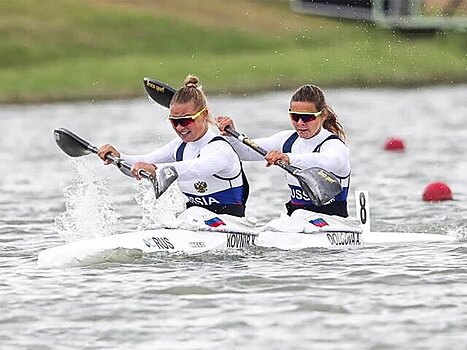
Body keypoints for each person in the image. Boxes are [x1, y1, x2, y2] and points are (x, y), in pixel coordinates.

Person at [98, 74, 249, 217]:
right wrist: (118, 158)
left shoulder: (221, 150)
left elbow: (197, 168)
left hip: (232, 227)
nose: (179, 128)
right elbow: (142, 161)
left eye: (185, 121)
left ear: (204, 115)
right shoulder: (178, 147)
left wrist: (156, 169)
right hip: (193, 226)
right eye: (174, 121)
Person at [216, 84, 350, 217]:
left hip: (333, 223)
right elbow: (244, 153)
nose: (300, 123)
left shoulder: (334, 146)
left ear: (323, 115)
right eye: (295, 116)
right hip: (298, 221)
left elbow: (331, 162)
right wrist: (231, 135)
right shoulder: (286, 140)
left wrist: (288, 158)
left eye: (308, 117)